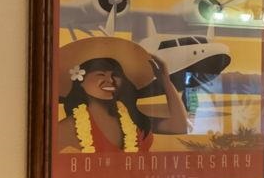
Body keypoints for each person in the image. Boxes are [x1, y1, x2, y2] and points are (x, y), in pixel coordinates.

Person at [54, 37, 189, 154]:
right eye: (101, 74)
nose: (110, 80)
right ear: (81, 82)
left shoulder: (133, 118)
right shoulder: (67, 128)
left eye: (115, 75)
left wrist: (165, 81)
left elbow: (179, 126)